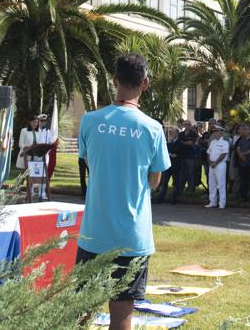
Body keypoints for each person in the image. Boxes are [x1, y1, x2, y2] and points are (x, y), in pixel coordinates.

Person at [76, 53, 170, 330]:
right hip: (132, 235)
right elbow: (155, 181)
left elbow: (91, 164)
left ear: (115, 80)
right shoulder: (152, 128)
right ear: (146, 83)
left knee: (80, 310)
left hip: (94, 233)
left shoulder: (90, 121)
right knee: (122, 317)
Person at [18, 113, 55, 202]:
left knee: (32, 176)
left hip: (35, 158)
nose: (35, 124)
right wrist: (27, 147)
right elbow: (20, 144)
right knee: (23, 177)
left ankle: (30, 194)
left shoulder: (39, 132)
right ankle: (19, 195)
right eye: (33, 122)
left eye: (36, 122)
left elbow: (40, 144)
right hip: (26, 157)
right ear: (29, 122)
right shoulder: (24, 131)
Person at [205, 124, 230, 209]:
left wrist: (215, 163)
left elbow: (224, 154)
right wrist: (210, 162)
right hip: (211, 165)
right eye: (214, 132)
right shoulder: (212, 142)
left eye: (216, 132)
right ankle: (213, 201)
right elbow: (208, 152)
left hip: (220, 165)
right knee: (212, 183)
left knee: (221, 184)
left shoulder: (225, 142)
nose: (214, 133)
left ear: (220, 132)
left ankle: (222, 203)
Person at [234, 124, 250, 203]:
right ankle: (243, 197)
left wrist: (243, 154)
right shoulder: (241, 140)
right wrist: (240, 155)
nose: (244, 131)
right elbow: (238, 148)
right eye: (244, 129)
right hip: (242, 163)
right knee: (243, 181)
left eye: (246, 129)